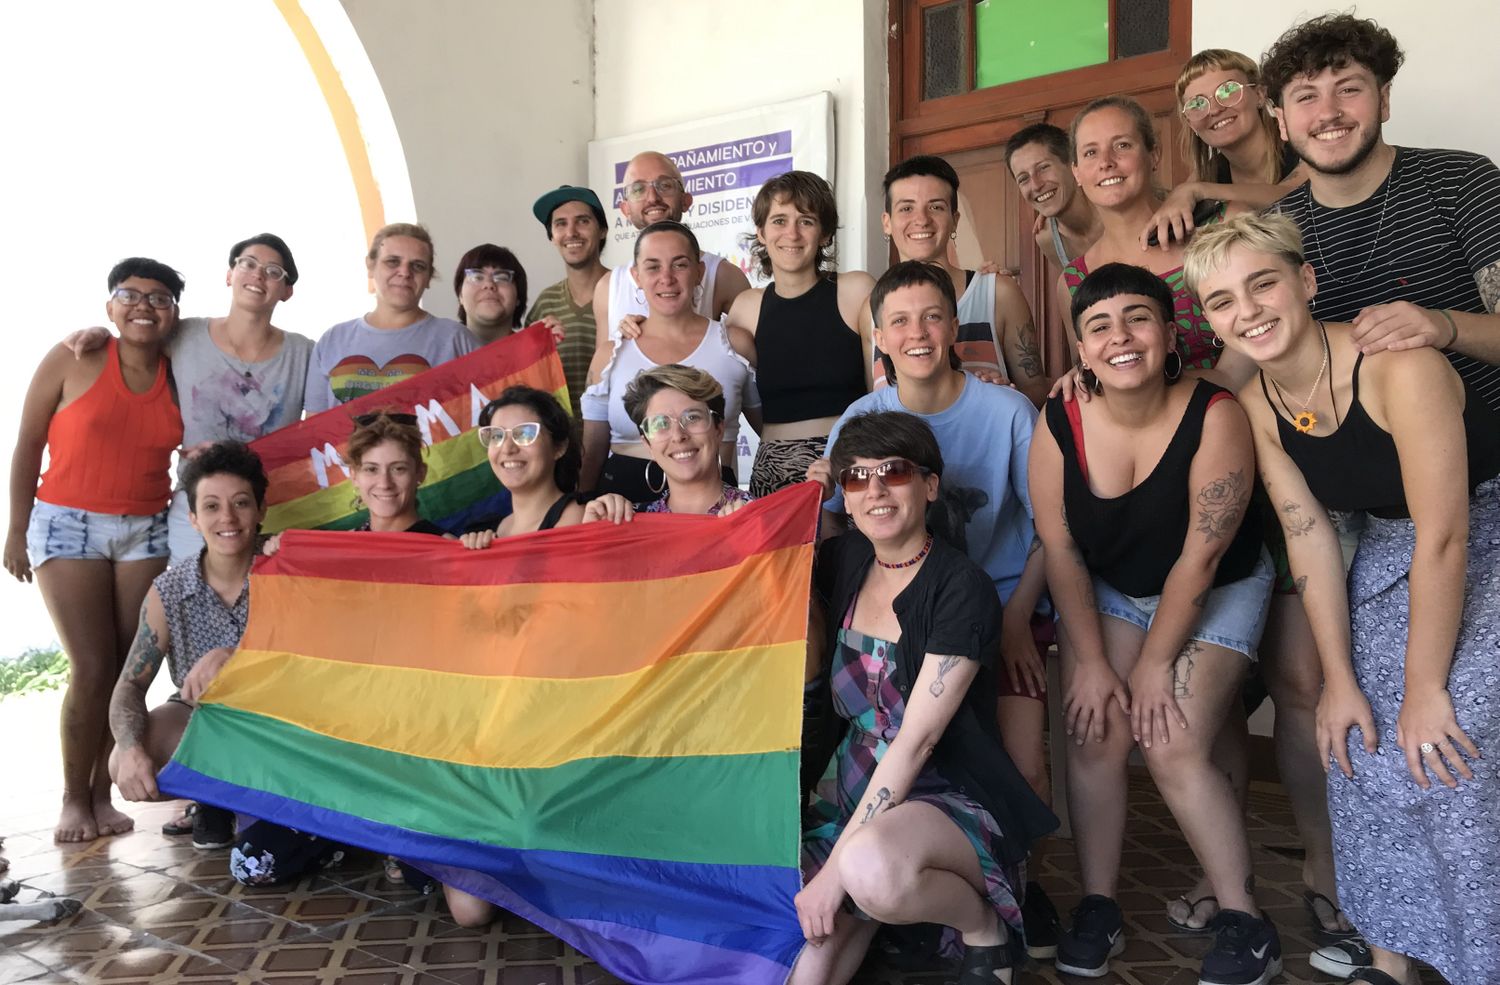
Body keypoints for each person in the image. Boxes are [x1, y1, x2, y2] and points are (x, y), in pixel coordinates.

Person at [1185, 211, 1500, 985]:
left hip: (1480, 533)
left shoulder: (1400, 365)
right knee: (1353, 742)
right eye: (1222, 301)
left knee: (1446, 746)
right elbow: (1311, 539)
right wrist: (1340, 683)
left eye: (1263, 283)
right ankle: (1392, 959)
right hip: (1396, 548)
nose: (1248, 311)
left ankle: (1476, 961)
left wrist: (1424, 689)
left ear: (1306, 281)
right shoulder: (1258, 402)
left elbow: (1447, 535)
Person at [1029, 262, 1280, 984]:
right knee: (1095, 723)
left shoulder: (1216, 411)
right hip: (1114, 590)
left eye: (1138, 318)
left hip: (1220, 585)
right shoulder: (1060, 421)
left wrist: (1151, 664)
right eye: (1099, 325)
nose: (1121, 337)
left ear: (1171, 334)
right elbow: (1063, 546)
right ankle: (1099, 904)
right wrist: (1096, 662)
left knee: (1168, 738)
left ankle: (1244, 918)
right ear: (1080, 349)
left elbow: (1200, 561)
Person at [808, 261, 1057, 957]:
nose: (917, 332)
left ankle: (1012, 896)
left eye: (931, 317)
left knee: (1020, 764)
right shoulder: (863, 418)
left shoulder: (1007, 410)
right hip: (902, 603)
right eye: (899, 321)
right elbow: (834, 516)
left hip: (1003, 604)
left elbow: (1049, 530)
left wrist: (1013, 623)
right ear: (878, 336)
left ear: (954, 326)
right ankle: (907, 880)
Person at [5, 258, 185, 843]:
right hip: (66, 527)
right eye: (129, 295)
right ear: (109, 306)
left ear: (174, 313)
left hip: (144, 531)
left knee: (125, 670)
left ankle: (104, 795)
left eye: (159, 298)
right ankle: (72, 799)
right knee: (90, 666)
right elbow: (29, 442)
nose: (143, 306)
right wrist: (15, 528)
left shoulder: (179, 369)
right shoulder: (75, 356)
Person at [1261, 13, 1500, 414]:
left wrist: (1444, 326)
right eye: (1306, 96)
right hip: (1360, 465)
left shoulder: (1463, 181)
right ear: (1282, 121)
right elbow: (1248, 364)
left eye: (1348, 89)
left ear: (1384, 99)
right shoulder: (1272, 229)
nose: (1328, 112)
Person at [61, 234, 313, 564]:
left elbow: (325, 428)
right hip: (195, 508)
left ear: (287, 291)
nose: (258, 275)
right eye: (248, 264)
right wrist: (102, 335)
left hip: (273, 510)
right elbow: (137, 336)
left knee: (267, 610)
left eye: (273, 271)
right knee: (189, 603)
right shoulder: (184, 334)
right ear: (229, 275)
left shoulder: (305, 352)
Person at [108, 442, 268, 852]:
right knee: (126, 756)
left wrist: (235, 659)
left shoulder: (285, 569)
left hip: (278, 720)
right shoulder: (170, 589)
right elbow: (129, 686)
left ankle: (245, 804)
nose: (227, 518)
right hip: (204, 719)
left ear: (261, 511)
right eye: (212, 506)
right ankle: (213, 800)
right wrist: (129, 750)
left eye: (241, 503)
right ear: (194, 519)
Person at [1058, 97, 1251, 383]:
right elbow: (1098, 369)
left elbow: (1244, 366)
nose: (1106, 163)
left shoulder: (1222, 228)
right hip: (1143, 426)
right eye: (1090, 153)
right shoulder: (1074, 281)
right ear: (1076, 172)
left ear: (1154, 155)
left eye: (1122, 145)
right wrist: (1080, 380)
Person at [580, 221, 760, 499]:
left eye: (679, 265)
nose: (667, 278)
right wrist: (583, 502)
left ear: (699, 272)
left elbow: (770, 430)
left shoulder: (736, 345)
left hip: (715, 503)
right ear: (636, 276)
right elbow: (592, 451)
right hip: (624, 504)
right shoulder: (610, 354)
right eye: (653, 266)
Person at [727, 171, 874, 496]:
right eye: (779, 220)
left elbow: (884, 389)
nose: (791, 233)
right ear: (761, 233)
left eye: (806, 221)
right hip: (772, 469)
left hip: (848, 463)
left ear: (824, 233)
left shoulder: (856, 290)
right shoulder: (747, 307)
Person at [864, 155, 1049, 404]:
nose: (921, 219)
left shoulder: (997, 293)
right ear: (887, 222)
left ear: (955, 220)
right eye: (906, 208)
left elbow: (1036, 394)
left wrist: (1005, 395)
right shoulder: (869, 309)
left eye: (936, 207)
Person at [1138, 50, 1306, 249]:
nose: (1215, 109)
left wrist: (1198, 190)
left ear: (1259, 95)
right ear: (1191, 124)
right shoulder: (1206, 175)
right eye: (1198, 103)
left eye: (1227, 91)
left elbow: (1291, 195)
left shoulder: (1304, 146)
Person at [304, 223, 476, 414]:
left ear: (428, 278)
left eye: (418, 266)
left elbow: (484, 417)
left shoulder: (456, 339)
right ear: (370, 266)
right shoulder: (333, 340)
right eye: (393, 262)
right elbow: (314, 430)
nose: (405, 272)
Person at [592, 151, 750, 345]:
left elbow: (747, 360)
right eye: (638, 189)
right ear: (625, 209)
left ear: (686, 200)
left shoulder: (725, 276)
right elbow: (603, 370)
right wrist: (621, 344)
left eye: (665, 185)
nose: (652, 198)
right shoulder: (608, 288)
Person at [585, 364, 752, 519]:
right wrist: (595, 535)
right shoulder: (630, 521)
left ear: (719, 429)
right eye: (660, 424)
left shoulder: (758, 515)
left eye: (692, 417)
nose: (678, 436)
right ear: (647, 443)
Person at [528, 186, 611, 417]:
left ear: (602, 230)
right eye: (560, 224)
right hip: (559, 444)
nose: (571, 232)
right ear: (552, 237)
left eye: (583, 221)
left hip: (618, 442)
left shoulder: (625, 292)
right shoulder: (545, 304)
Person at [1005, 123, 1102, 271]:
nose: (1036, 185)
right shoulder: (1046, 238)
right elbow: (1077, 292)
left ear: (1072, 165)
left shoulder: (1116, 205)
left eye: (1043, 168)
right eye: (1023, 179)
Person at [452, 243, 528, 345]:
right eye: (477, 277)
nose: (489, 284)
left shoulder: (538, 354)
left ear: (518, 296)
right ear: (460, 295)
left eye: (502, 278)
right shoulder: (437, 354)